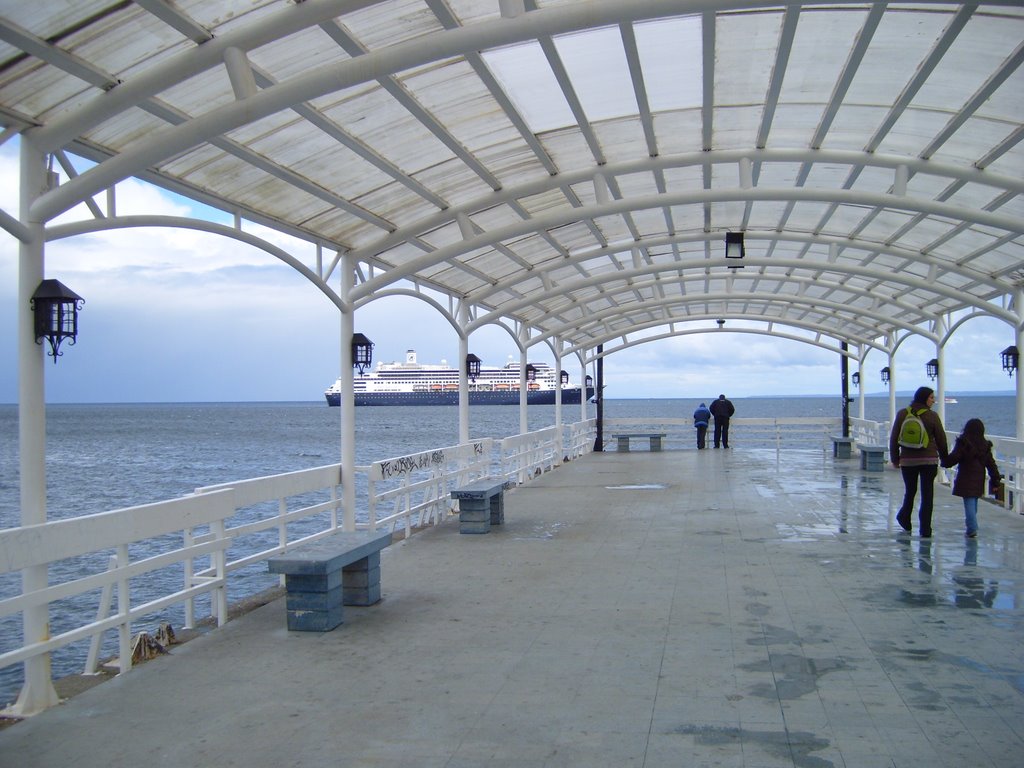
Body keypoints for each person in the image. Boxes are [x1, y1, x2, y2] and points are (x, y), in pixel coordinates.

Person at [889, 386, 949, 537]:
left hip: (908, 460)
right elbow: (941, 439)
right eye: (931, 397)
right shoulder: (932, 416)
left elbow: (894, 437)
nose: (933, 400)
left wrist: (895, 459)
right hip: (929, 461)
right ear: (924, 398)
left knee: (910, 491)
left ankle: (904, 517)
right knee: (927, 494)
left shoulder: (903, 414)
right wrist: (945, 458)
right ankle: (925, 529)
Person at [943, 418, 1001, 539]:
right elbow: (991, 464)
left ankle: (972, 528)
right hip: (978, 479)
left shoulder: (964, 443)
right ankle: (972, 526)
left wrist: (945, 462)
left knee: (969, 502)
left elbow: (955, 457)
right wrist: (995, 479)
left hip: (965, 478)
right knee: (973, 502)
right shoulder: (985, 446)